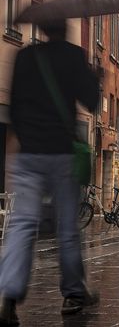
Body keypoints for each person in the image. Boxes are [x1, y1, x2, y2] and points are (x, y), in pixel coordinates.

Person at [0, 19, 100, 325]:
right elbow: (93, 102)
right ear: (65, 29)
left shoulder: (25, 57)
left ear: (42, 29)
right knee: (67, 227)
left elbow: (14, 107)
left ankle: (9, 295)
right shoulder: (73, 56)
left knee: (22, 224)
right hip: (60, 152)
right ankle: (72, 294)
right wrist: (95, 78)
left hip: (29, 151)